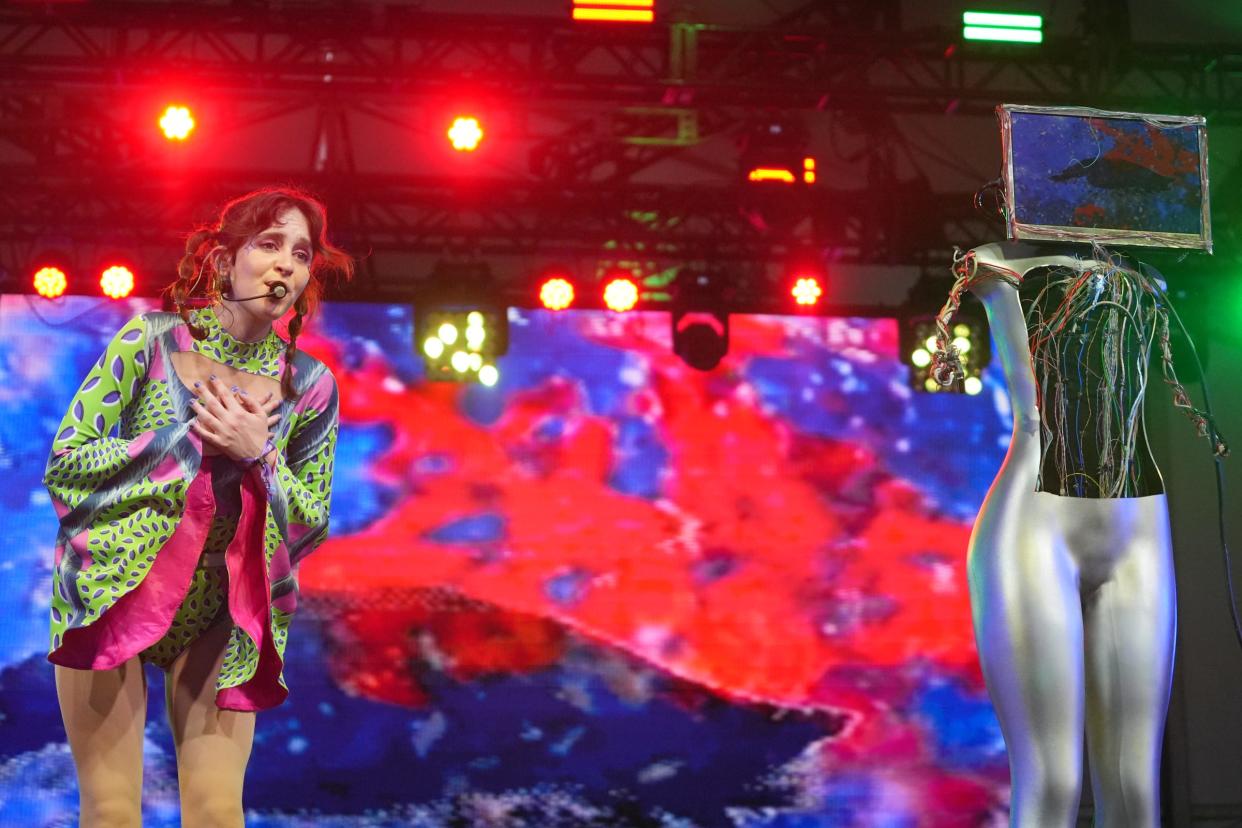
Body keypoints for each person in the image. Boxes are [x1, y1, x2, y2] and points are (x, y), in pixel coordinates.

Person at [44, 186, 353, 826]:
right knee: (111, 811)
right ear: (224, 261)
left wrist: (257, 453)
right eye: (269, 245)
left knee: (216, 813)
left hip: (221, 610)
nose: (286, 266)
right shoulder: (151, 341)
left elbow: (312, 520)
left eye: (300, 254)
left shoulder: (311, 386)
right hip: (115, 587)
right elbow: (68, 462)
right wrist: (185, 441)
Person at [932, 241, 1224, 827]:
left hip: (1138, 526)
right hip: (1036, 525)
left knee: (1137, 789)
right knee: (1053, 783)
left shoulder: (1147, 275)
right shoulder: (996, 262)